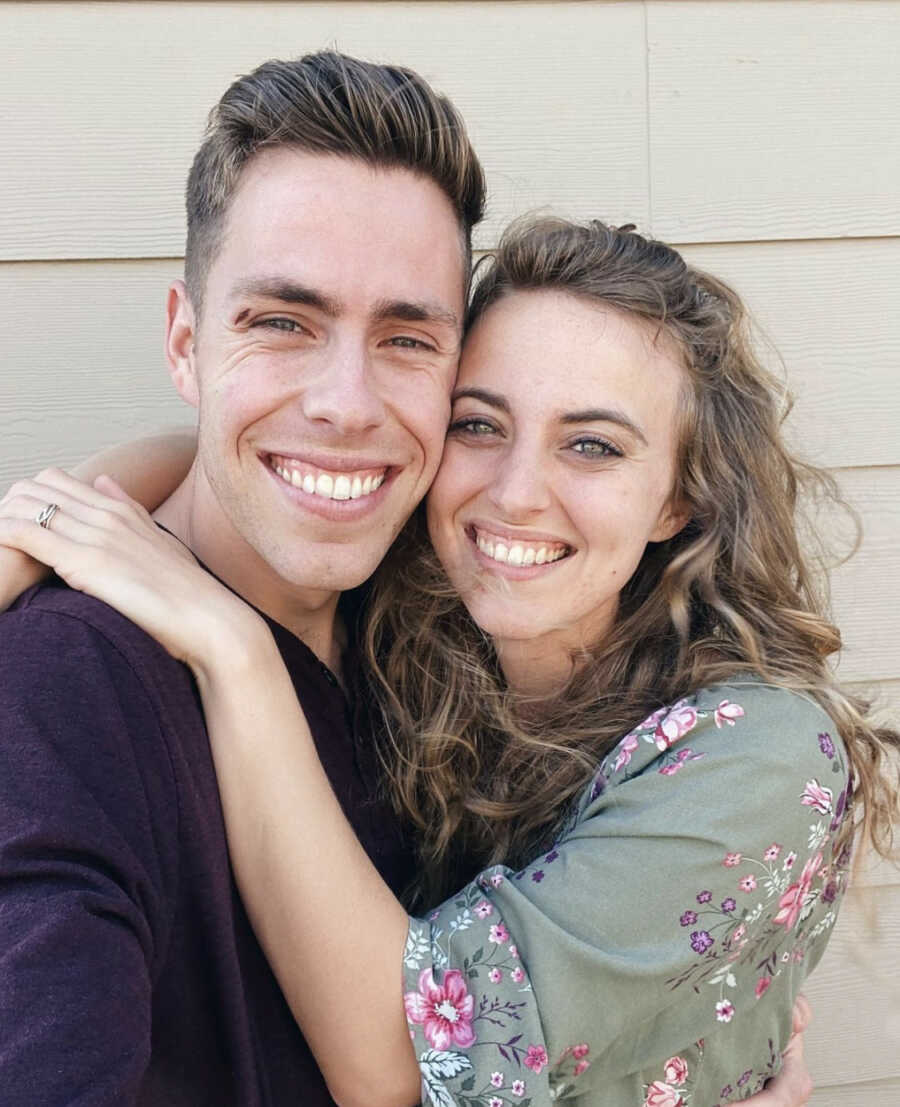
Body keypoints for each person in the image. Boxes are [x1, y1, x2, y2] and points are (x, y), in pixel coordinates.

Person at [5, 219, 891, 1105]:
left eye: (593, 445)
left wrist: (233, 650)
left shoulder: (758, 758)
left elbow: (406, 1058)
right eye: (479, 424)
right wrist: (36, 539)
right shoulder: (417, 638)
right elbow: (221, 465)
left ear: (681, 496)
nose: (513, 492)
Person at [0, 49, 486, 1106]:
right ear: (186, 341)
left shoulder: (435, 638)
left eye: (407, 338)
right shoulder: (68, 691)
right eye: (283, 323)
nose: (347, 403)